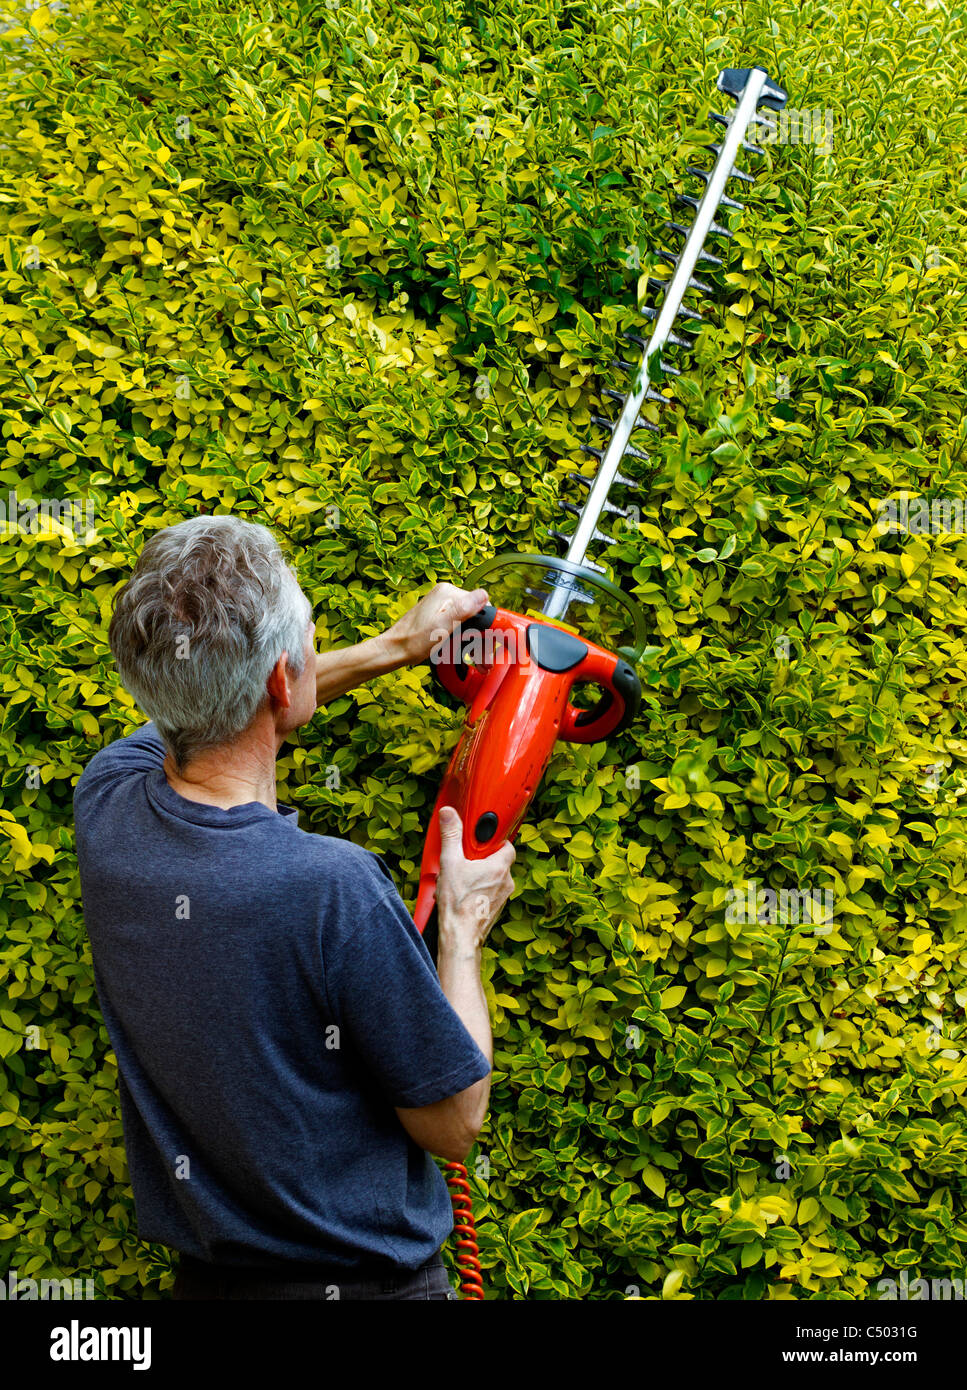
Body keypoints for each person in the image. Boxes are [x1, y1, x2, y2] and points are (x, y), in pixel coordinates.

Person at [72, 514, 516, 1301]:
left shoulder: (107, 805)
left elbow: (201, 710)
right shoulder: (328, 887)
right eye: (309, 636)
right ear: (284, 676)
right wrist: (460, 928)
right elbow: (451, 1123)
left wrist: (393, 647)